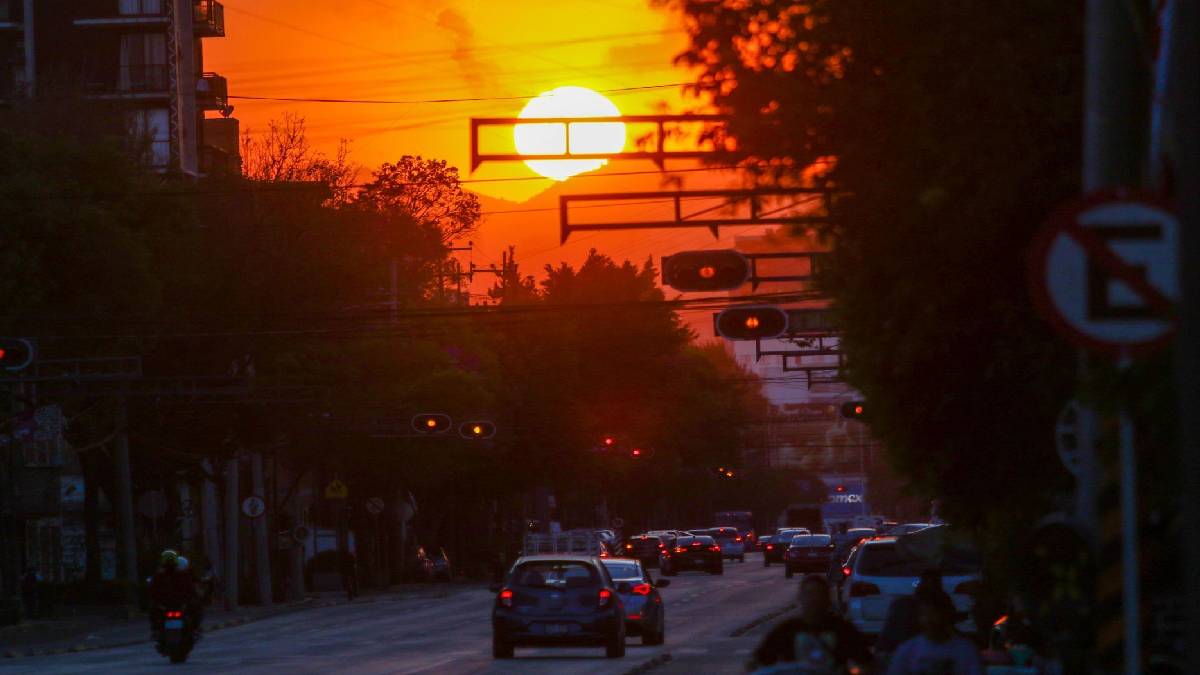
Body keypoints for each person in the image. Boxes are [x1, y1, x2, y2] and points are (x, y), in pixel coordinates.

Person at [749, 574, 874, 673]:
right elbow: (758, 661)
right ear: (800, 597)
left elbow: (867, 662)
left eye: (818, 594)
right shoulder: (787, 630)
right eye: (809, 594)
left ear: (827, 599)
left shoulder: (843, 630)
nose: (813, 599)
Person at [886, 589, 984, 675]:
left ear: (945, 616)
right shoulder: (907, 651)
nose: (929, 620)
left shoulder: (966, 650)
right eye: (924, 614)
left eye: (933, 614)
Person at [148, 550, 199, 639]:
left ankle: (194, 629)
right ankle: (156, 631)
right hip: (169, 605)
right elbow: (152, 591)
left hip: (177, 604)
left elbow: (152, 591)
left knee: (196, 609)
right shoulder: (162, 576)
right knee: (153, 611)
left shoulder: (161, 576)